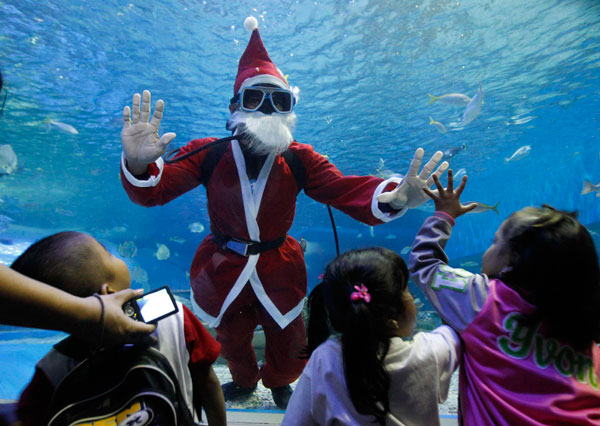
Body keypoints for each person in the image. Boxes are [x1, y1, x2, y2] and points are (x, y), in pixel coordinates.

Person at [118, 15, 448, 409]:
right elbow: (157, 190)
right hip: (222, 267)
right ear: (235, 105)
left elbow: (344, 189)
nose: (267, 110)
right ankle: (243, 381)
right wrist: (138, 165)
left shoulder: (300, 158)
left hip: (280, 266)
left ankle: (278, 380)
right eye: (256, 98)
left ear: (290, 108)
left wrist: (395, 196)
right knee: (231, 340)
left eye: (280, 100)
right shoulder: (210, 152)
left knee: (292, 344)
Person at [410, 170, 600, 425]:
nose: (489, 247)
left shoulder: (482, 300)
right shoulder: (588, 340)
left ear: (512, 263)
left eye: (494, 241)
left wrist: (444, 215)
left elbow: (424, 264)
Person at [0, 66, 154, 347]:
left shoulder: (56, 365)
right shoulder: (170, 328)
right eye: (108, 254)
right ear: (105, 292)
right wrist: (87, 315)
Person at [11, 231, 226, 426]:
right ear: (108, 292)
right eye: (109, 255)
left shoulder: (52, 369)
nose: (117, 257)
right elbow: (207, 382)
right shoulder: (175, 319)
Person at [282, 247, 461, 425]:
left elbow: (295, 421)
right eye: (406, 290)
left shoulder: (323, 359)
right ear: (391, 317)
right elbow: (456, 326)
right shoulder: (428, 353)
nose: (412, 296)